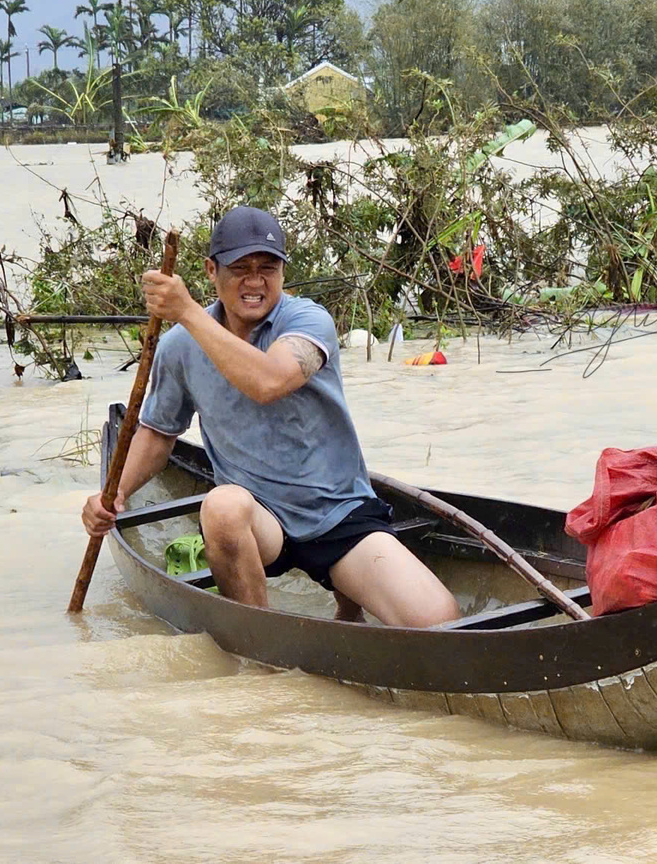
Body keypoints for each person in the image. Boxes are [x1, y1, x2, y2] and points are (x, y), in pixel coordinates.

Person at [81, 205, 460, 627]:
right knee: (222, 506)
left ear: (282, 271)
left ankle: (348, 606)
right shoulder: (179, 346)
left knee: (439, 621)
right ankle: (260, 643)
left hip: (336, 511)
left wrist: (186, 312)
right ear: (211, 271)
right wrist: (111, 497)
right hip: (259, 524)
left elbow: (269, 382)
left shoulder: (307, 321)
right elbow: (157, 434)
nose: (255, 282)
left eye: (268, 268)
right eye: (240, 268)